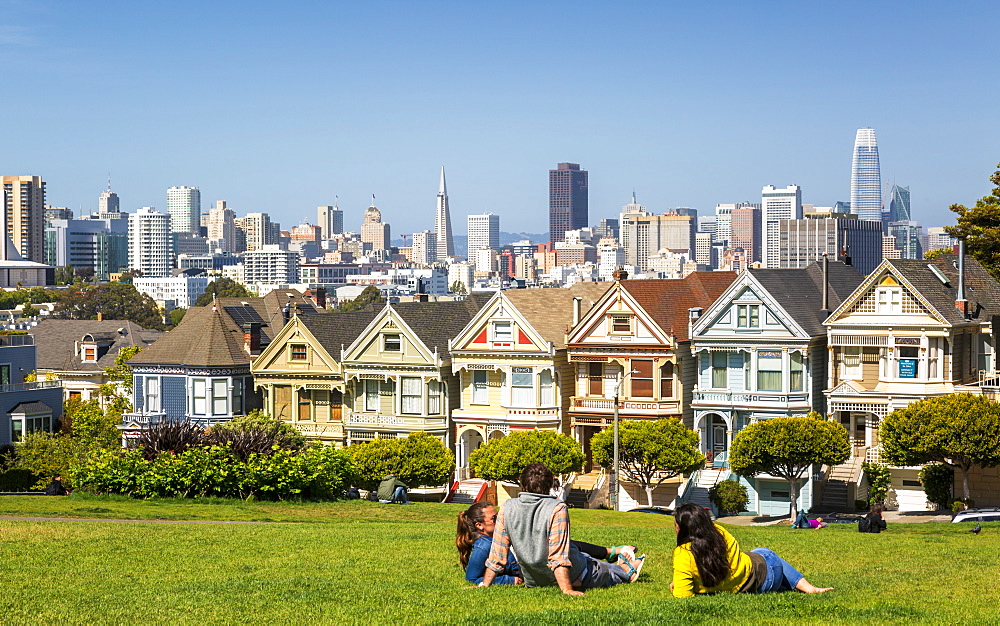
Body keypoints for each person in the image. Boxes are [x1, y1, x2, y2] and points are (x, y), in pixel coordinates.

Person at [479, 463, 645, 595]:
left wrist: (485, 584)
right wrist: (567, 589)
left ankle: (618, 555)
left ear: (521, 483)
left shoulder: (507, 507)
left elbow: (498, 553)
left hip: (534, 580)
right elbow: (558, 555)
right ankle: (626, 568)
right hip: (577, 576)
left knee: (582, 554)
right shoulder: (556, 508)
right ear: (551, 483)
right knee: (606, 570)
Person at [457, 501, 639, 586]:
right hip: (533, 571)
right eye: (494, 519)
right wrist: (508, 580)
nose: (500, 520)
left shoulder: (495, 537)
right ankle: (623, 569)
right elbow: (472, 579)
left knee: (574, 551)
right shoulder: (483, 546)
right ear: (479, 525)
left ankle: (618, 562)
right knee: (581, 559)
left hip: (537, 566)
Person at [672, 502, 833, 597]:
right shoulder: (719, 532)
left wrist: (679, 584)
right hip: (765, 575)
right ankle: (809, 588)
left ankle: (791, 585)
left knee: (763, 553)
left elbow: (683, 595)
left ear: (682, 528)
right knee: (764, 552)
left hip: (758, 587)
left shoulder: (682, 555)